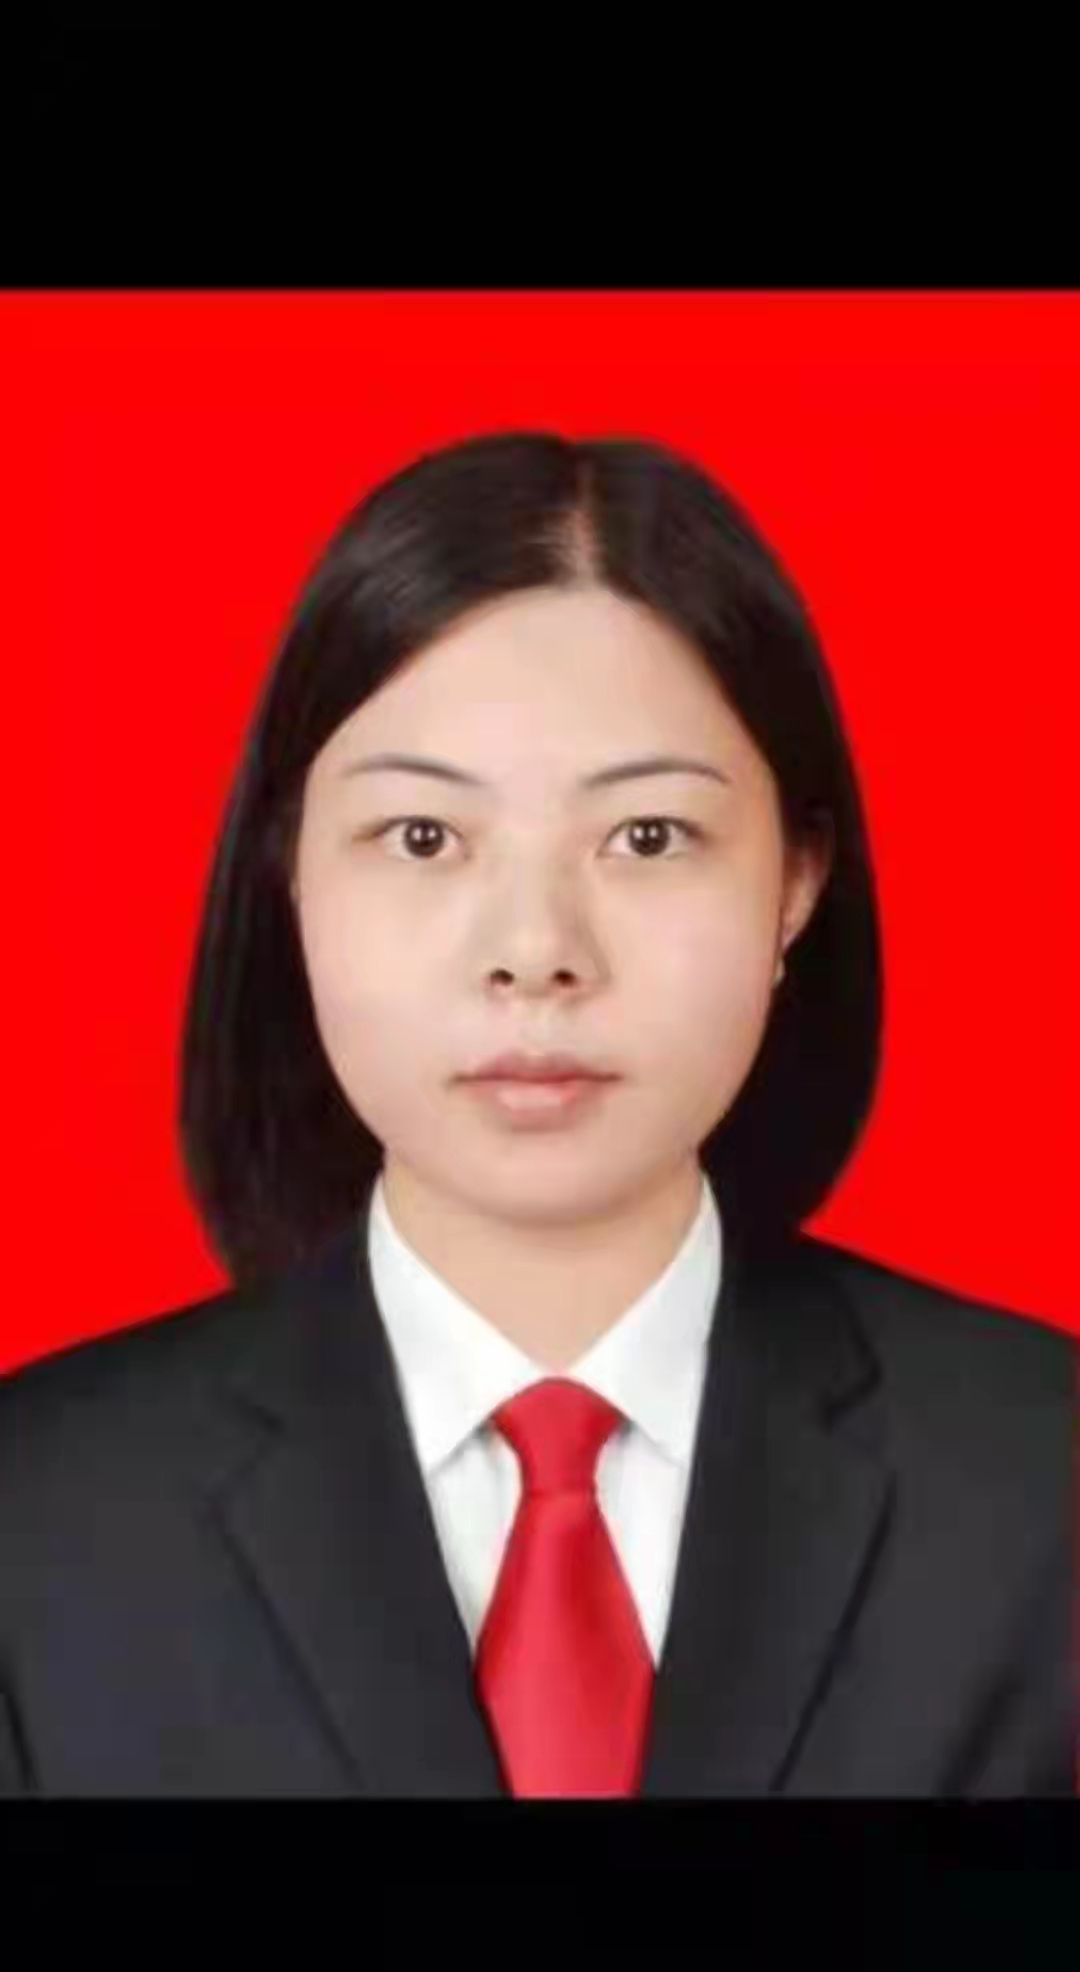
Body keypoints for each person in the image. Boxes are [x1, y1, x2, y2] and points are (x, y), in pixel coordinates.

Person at [0, 430, 1073, 1798]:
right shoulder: (39, 1518)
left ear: (797, 882)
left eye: (647, 837)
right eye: (424, 837)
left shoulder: (1041, 1485)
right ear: (291, 872)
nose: (535, 950)